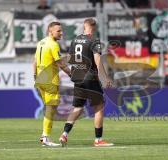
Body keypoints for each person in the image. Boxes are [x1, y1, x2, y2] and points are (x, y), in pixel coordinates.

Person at [59, 18, 114, 147]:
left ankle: (64, 134)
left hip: (78, 77)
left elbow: (71, 59)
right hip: (90, 77)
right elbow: (97, 60)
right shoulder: (94, 40)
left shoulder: (75, 40)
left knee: (77, 108)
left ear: (84, 27)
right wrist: (105, 77)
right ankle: (98, 140)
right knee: (99, 107)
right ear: (94, 28)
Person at [33, 21, 71, 147]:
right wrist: (72, 75)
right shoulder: (54, 45)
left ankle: (45, 136)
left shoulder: (41, 42)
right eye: (58, 31)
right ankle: (45, 137)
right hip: (50, 80)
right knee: (51, 109)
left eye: (61, 30)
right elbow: (60, 63)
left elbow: (34, 61)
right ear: (51, 31)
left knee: (50, 107)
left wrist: (35, 76)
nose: (61, 33)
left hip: (40, 79)